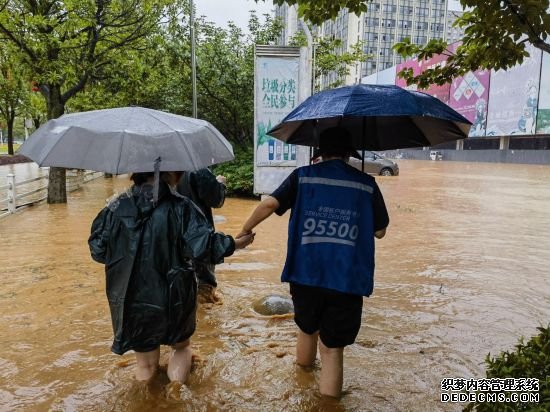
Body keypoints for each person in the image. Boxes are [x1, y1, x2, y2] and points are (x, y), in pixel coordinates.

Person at [237, 127, 389, 398]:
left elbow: (269, 204)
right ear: (348, 154)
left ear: (320, 152)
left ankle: (301, 385)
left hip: (306, 274)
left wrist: (245, 230)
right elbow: (380, 231)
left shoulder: (302, 177)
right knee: (331, 349)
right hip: (346, 279)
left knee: (306, 330)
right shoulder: (367, 184)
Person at [88, 171, 254, 383]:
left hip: (131, 296)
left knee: (145, 364)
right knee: (181, 348)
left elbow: (98, 250)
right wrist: (236, 243)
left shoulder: (115, 207)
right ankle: (176, 397)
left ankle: (150, 403)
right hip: (174, 294)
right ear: (172, 173)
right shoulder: (182, 207)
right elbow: (203, 247)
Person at [176, 168, 227, 303]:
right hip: (199, 238)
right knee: (204, 285)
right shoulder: (198, 168)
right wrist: (220, 185)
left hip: (170, 238)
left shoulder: (157, 169)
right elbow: (215, 199)